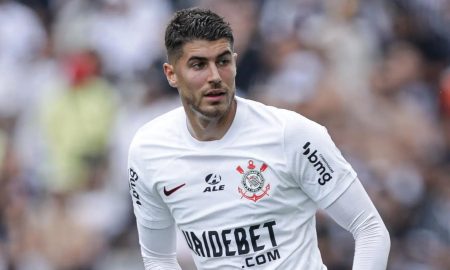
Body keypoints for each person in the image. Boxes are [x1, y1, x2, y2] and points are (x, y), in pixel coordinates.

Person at [128, 7, 390, 270]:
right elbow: (158, 258)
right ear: (171, 74)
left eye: (223, 61)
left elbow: (369, 228)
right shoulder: (149, 150)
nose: (215, 77)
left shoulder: (292, 134)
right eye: (198, 65)